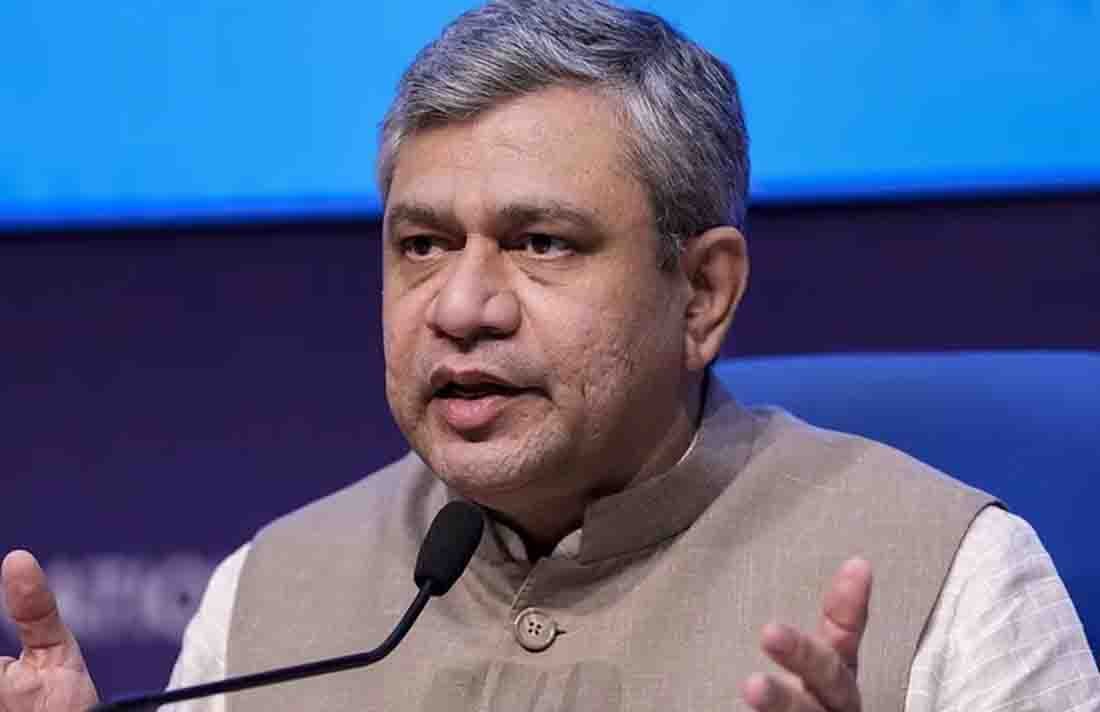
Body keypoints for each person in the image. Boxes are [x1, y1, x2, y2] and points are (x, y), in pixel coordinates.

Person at [3, 1, 1097, 710]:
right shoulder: (265, 600)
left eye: (540, 243)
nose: (461, 306)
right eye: (422, 244)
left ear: (702, 293)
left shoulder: (955, 580)